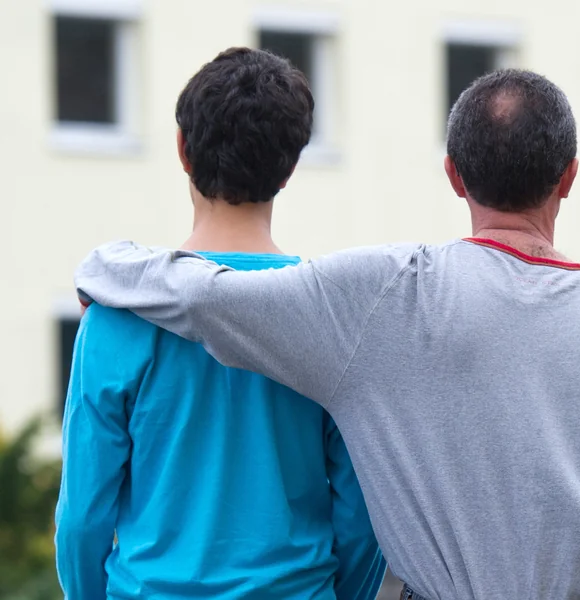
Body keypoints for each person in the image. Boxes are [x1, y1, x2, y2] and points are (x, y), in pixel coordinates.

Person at [73, 68, 580, 600]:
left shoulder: (385, 298)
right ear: (569, 176)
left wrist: (105, 266)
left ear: (454, 174)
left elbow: (207, 298)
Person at [55, 48, 385, 599]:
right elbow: (363, 513)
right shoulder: (331, 320)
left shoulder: (113, 319)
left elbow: (82, 516)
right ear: (291, 166)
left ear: (182, 149)